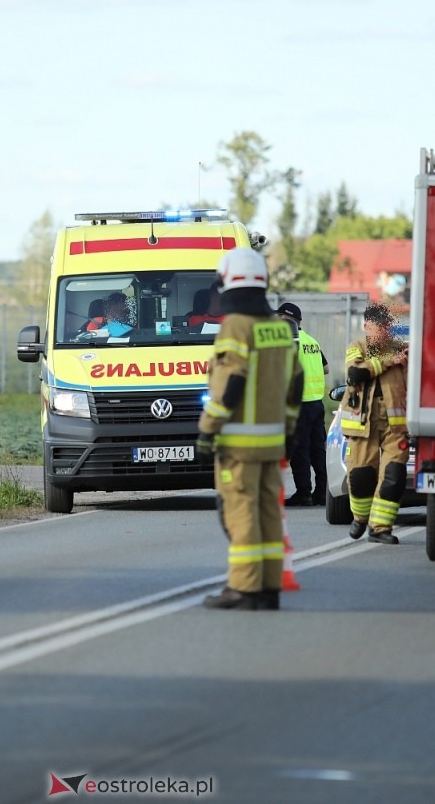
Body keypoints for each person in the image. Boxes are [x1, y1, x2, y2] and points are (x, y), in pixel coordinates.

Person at [196, 248, 304, 611]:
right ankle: (268, 588)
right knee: (268, 513)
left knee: (240, 513)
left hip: (237, 445)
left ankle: (242, 588)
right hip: (273, 442)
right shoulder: (279, 327)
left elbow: (231, 383)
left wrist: (208, 429)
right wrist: (288, 431)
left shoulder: (235, 327)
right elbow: (296, 384)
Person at [338, 302, 408, 543]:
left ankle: (380, 528)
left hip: (394, 426)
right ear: (366, 326)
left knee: (394, 476)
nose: (382, 331)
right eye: (377, 326)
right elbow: (355, 374)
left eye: (385, 326)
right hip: (362, 424)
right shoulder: (357, 348)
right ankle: (360, 517)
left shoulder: (403, 352)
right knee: (360, 477)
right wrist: (389, 361)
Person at [277, 302, 329, 507]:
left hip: (298, 404)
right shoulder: (311, 341)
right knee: (318, 449)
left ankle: (304, 493)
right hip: (316, 403)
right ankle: (323, 492)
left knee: (300, 450)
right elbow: (325, 368)